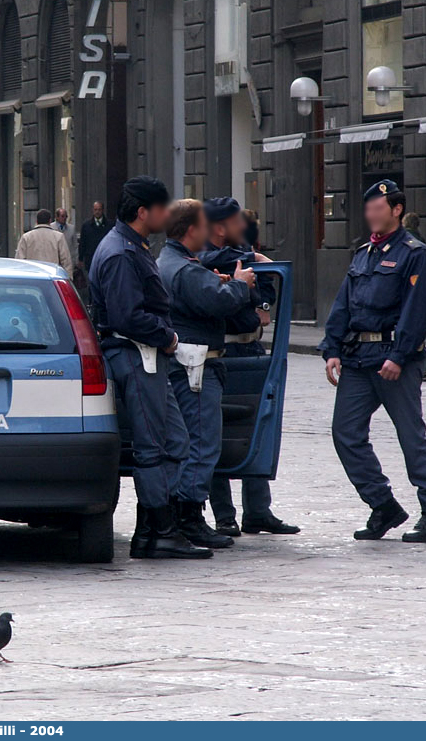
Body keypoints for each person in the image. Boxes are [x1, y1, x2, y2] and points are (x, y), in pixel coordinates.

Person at [320, 179, 426, 543]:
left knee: (410, 435)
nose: (372, 215)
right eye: (368, 209)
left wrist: (400, 355)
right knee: (346, 434)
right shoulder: (364, 253)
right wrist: (331, 347)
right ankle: (383, 505)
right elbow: (343, 303)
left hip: (394, 360)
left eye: (378, 208)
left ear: (396, 210)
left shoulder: (416, 254)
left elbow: (417, 312)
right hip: (358, 359)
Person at [88, 176, 208, 560]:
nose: (167, 214)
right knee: (153, 447)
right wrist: (169, 338)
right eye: (161, 207)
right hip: (136, 354)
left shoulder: (131, 245)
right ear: (144, 212)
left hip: (146, 354)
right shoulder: (122, 252)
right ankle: (160, 532)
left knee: (175, 441)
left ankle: (152, 529)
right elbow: (128, 317)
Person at [157, 199, 254, 549]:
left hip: (183, 365)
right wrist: (240, 284)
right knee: (201, 442)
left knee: (188, 441)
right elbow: (219, 302)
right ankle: (190, 516)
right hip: (196, 367)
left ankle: (185, 512)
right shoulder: (186, 269)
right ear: (190, 230)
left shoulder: (169, 263)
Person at [199, 197, 299, 536]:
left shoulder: (237, 248)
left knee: (259, 424)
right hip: (220, 352)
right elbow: (212, 263)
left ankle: (258, 510)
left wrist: (265, 303)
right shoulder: (203, 251)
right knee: (218, 431)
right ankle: (224, 515)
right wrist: (252, 259)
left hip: (250, 346)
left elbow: (268, 279)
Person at [79, 201, 112, 271]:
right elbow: (82, 243)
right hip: (90, 259)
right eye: (95, 210)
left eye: (99, 209)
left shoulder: (110, 225)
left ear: (103, 210)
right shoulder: (86, 225)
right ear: (92, 210)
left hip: (105, 258)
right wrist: (80, 258)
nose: (97, 212)